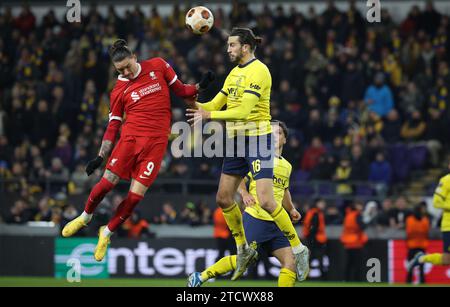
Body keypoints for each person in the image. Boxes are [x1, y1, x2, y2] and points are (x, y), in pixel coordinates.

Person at [61, 39, 215, 261]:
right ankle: (85, 217)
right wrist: (100, 155)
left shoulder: (159, 66)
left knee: (135, 198)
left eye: (127, 66)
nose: (125, 72)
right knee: (106, 184)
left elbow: (182, 90)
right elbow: (113, 125)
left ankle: (106, 232)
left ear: (134, 57)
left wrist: (201, 86)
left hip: (155, 144)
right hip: (130, 140)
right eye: (119, 70)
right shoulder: (118, 90)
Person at [186, 28, 309, 281]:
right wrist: (189, 96)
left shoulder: (260, 71)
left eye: (232, 45)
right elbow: (211, 106)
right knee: (223, 198)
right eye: (228, 45)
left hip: (257, 138)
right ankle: (242, 249)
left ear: (245, 47)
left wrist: (209, 116)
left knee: (265, 200)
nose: (227, 49)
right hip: (235, 142)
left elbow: (242, 111)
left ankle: (298, 248)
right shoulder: (233, 74)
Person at [187, 121, 306, 287]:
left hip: (278, 222)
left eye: (278, 133)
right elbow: (240, 177)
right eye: (269, 133)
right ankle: (201, 276)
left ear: (285, 139)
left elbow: (284, 189)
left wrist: (291, 208)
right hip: (256, 218)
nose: (273, 136)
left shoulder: (287, 166)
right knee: (245, 259)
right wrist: (244, 193)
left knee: (290, 261)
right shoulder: (257, 158)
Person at [408, 162, 450, 270]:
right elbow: (436, 202)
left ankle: (421, 259)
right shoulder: (446, 180)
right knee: (447, 260)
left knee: (446, 260)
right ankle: (421, 258)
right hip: (449, 225)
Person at [340, 201, 368, 282]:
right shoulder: (357, 214)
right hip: (356, 242)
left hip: (347, 242)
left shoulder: (348, 214)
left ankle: (346, 279)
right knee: (357, 264)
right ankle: (357, 280)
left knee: (349, 263)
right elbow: (362, 226)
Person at [303, 198, 328, 280]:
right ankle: (322, 276)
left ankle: (306, 276)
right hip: (315, 240)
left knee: (310, 258)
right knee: (317, 258)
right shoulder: (315, 213)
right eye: (321, 203)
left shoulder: (313, 212)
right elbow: (313, 228)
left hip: (312, 239)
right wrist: (313, 239)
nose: (323, 205)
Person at [405, 204, 429, 284]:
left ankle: (409, 281)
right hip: (422, 246)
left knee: (410, 266)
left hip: (412, 245)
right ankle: (422, 281)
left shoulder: (409, 220)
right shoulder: (425, 220)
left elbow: (408, 232)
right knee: (421, 266)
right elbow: (426, 232)